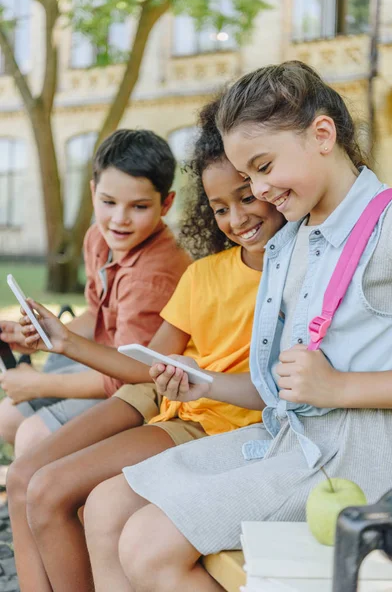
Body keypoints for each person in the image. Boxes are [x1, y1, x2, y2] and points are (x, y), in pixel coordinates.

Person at [80, 61, 392, 592]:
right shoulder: (291, 241)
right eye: (249, 176)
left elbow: (323, 389)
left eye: (263, 166)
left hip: (363, 461)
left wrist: (342, 387)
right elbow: (276, 390)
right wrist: (199, 379)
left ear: (322, 134)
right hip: (288, 439)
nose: (260, 188)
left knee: (147, 546)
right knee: (106, 507)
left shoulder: (390, 227)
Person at [8, 100, 284, 592]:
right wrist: (65, 340)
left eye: (246, 199)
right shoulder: (204, 275)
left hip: (209, 421)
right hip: (171, 404)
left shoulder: (297, 273)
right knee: (40, 482)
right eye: (220, 207)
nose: (236, 217)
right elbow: (144, 364)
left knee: (56, 487)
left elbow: (261, 388)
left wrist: (187, 379)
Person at [0, 129, 191, 457]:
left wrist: (40, 384)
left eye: (139, 206)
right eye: (108, 202)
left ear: (166, 203)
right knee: (6, 418)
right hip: (106, 365)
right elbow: (97, 315)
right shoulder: (98, 239)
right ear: (93, 192)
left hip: (144, 385)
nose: (119, 219)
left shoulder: (151, 275)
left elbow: (131, 372)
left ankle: (51, 497)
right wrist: (36, 337)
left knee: (34, 436)